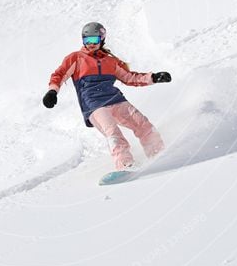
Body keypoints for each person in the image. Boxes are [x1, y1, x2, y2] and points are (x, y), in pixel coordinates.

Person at [42, 22, 172, 174]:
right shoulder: (76, 58)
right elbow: (59, 74)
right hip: (94, 105)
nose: (90, 44)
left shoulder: (110, 61)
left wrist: (154, 78)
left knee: (143, 124)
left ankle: (159, 154)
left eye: (94, 40)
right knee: (113, 133)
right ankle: (125, 165)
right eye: (87, 40)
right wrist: (52, 92)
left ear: (102, 39)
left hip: (115, 99)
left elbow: (130, 78)